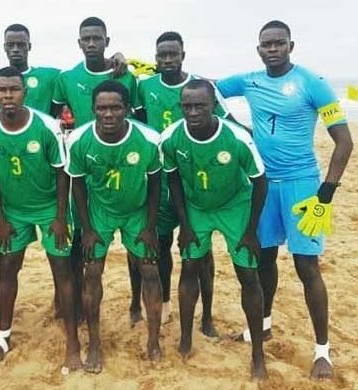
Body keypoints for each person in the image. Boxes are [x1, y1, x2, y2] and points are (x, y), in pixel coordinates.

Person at [216, 20, 353, 380]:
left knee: (307, 267)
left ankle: (322, 351)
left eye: (279, 43)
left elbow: (344, 142)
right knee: (264, 259)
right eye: (266, 44)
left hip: (302, 186)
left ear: (291, 45)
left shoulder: (313, 83)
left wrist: (326, 192)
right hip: (262, 184)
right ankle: (262, 325)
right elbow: (206, 89)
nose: (272, 49)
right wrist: (236, 126)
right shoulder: (249, 81)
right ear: (258, 48)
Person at [0, 67, 81, 371]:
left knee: (62, 272)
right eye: (1, 90)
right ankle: (3, 337)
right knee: (8, 271)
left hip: (50, 209)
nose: (7, 96)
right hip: (13, 213)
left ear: (25, 92)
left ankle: (72, 342)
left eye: (14, 89)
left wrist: (61, 217)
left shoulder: (47, 127)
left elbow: (63, 174)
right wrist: (0, 217)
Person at [162, 79, 268, 379]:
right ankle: (185, 338)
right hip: (197, 208)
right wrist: (184, 225)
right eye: (187, 106)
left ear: (214, 106)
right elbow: (173, 180)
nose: (193, 112)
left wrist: (250, 230)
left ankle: (258, 355)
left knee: (247, 276)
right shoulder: (171, 138)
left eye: (200, 105)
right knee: (190, 267)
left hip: (234, 207)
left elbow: (260, 181)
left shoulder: (236, 137)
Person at [132, 31, 233, 332]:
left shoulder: (201, 86)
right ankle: (163, 306)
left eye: (172, 54)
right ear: (156, 56)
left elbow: (227, 124)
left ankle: (208, 316)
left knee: (201, 254)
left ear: (183, 54)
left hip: (195, 183)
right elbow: (135, 125)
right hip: (159, 182)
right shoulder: (144, 87)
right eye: (162, 54)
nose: (167, 60)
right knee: (159, 247)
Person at [66, 80, 163, 373]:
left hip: (136, 212)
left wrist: (149, 226)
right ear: (93, 109)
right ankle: (95, 343)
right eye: (102, 108)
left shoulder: (148, 139)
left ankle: (154, 341)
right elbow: (78, 186)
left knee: (150, 270)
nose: (108, 114)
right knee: (92, 272)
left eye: (115, 107)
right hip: (100, 213)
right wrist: (87, 229)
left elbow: (156, 184)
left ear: (127, 109)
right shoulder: (80, 140)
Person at [52, 16, 138, 321]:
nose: (91, 43)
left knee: (134, 246)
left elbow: (138, 119)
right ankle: (73, 307)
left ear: (107, 41)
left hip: (122, 169)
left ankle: (136, 305)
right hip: (83, 167)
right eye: (86, 38)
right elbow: (53, 120)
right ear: (79, 43)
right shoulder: (66, 78)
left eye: (97, 38)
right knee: (80, 241)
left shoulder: (125, 76)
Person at [0, 24, 60, 114]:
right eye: (10, 45)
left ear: (29, 46)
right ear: (4, 47)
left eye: (21, 45)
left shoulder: (50, 77)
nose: (15, 49)